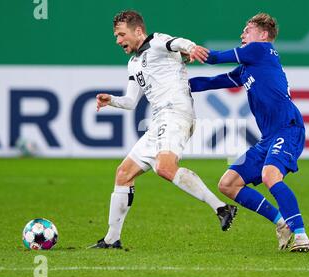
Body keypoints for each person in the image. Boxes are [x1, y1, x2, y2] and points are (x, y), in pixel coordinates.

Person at [90, 10, 237, 249]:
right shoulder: (134, 63)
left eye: (121, 34)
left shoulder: (157, 42)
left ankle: (221, 207)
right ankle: (111, 239)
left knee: (165, 168)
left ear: (138, 31)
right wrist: (112, 101)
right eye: (115, 36)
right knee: (123, 174)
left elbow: (176, 42)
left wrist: (190, 48)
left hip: (176, 114)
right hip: (159, 121)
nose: (118, 40)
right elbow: (130, 101)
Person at [189, 13, 309, 252]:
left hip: (288, 128)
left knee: (270, 175)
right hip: (268, 138)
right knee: (228, 184)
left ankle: (302, 237)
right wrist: (179, 84)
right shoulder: (249, 66)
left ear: (263, 35)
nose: (242, 34)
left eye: (247, 30)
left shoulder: (261, 50)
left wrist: (191, 50)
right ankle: (281, 222)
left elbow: (214, 58)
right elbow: (213, 81)